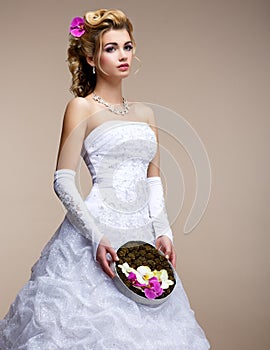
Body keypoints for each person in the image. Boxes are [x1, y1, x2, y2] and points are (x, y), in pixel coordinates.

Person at [0, 8, 210, 349]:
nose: (123, 55)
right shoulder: (81, 108)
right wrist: (96, 236)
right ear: (91, 56)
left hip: (142, 234)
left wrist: (164, 231)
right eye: (111, 48)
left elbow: (152, 180)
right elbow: (63, 179)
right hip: (95, 234)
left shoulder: (147, 113)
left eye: (127, 46)